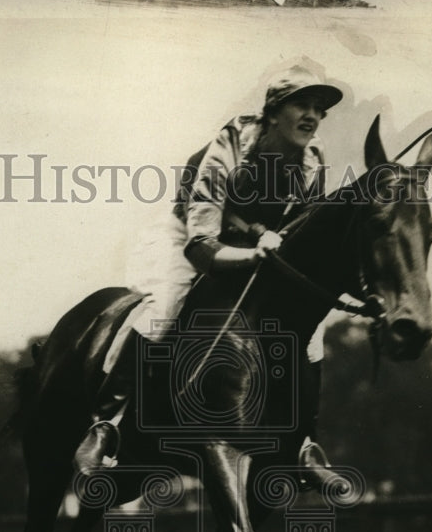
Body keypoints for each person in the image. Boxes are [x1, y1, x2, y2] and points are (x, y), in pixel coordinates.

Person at [74, 66, 343, 483]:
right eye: (302, 105)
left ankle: (305, 443)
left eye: (319, 109)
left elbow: (303, 233)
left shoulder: (313, 159)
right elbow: (201, 243)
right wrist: (256, 245)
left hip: (255, 246)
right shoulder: (230, 145)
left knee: (312, 328)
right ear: (273, 112)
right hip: (189, 233)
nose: (313, 116)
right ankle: (107, 424)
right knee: (162, 308)